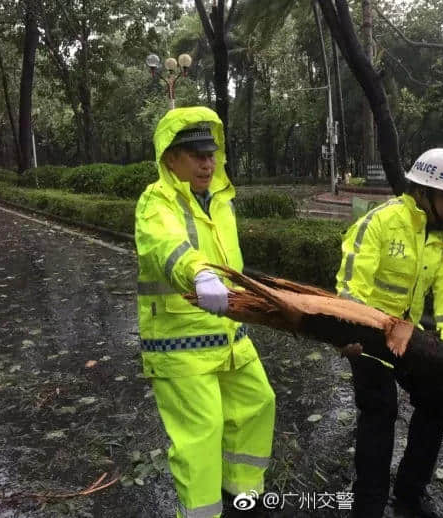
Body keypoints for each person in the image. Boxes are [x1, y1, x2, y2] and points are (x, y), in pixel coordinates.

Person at [134, 106, 275, 518]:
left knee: (258, 402)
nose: (207, 162)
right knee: (202, 433)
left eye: (211, 154)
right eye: (195, 154)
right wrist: (196, 273)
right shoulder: (155, 202)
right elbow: (166, 246)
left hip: (230, 335)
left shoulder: (219, 201)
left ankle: (242, 495)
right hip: (180, 343)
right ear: (170, 159)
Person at [335, 148, 443, 518]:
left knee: (437, 397)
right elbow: (351, 287)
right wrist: (350, 334)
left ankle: (410, 495)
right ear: (422, 191)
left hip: (407, 335)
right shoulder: (380, 223)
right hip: (370, 334)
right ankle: (368, 505)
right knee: (381, 410)